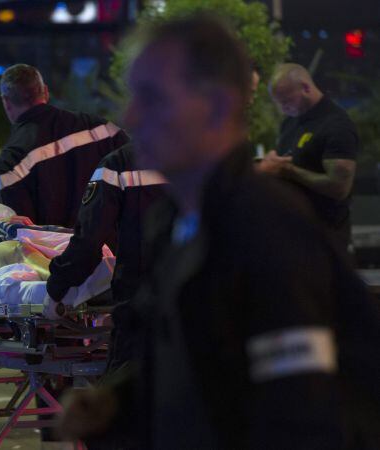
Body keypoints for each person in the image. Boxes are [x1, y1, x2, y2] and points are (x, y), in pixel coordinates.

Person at [58, 14, 380, 449]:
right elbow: (194, 364)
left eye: (152, 97)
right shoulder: (172, 221)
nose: (131, 115)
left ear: (217, 106)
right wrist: (116, 404)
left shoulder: (269, 228)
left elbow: (303, 412)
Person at [46, 143, 166, 370]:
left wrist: (56, 290)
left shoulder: (120, 164)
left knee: (124, 397)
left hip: (142, 308)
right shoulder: (211, 154)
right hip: (205, 309)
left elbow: (89, 240)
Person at [0, 63, 128, 228]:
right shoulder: (103, 130)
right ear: (45, 91)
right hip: (111, 250)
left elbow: (20, 232)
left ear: (6, 102)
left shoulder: (12, 158)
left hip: (53, 252)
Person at [258, 63, 359, 251]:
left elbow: (339, 187)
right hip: (292, 231)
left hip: (325, 237)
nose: (282, 108)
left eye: (286, 101)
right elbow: (288, 160)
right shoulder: (290, 122)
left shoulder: (337, 125)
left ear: (305, 88)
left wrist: (289, 170)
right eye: (279, 103)